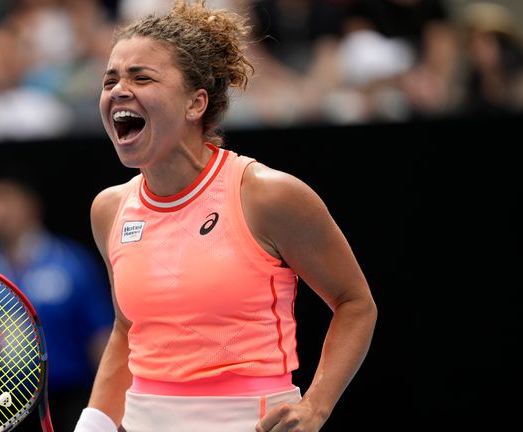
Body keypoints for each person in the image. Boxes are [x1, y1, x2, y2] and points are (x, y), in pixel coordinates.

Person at [72, 1, 378, 431]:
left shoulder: (268, 195)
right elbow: (128, 328)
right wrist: (96, 421)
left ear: (195, 103)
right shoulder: (110, 209)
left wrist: (317, 404)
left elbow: (355, 304)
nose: (119, 89)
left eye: (141, 77)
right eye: (111, 79)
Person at [0, 176, 114, 432]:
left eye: (3, 198)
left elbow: (102, 339)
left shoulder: (73, 262)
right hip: (1, 405)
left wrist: (109, 409)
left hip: (68, 401)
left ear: (31, 206)